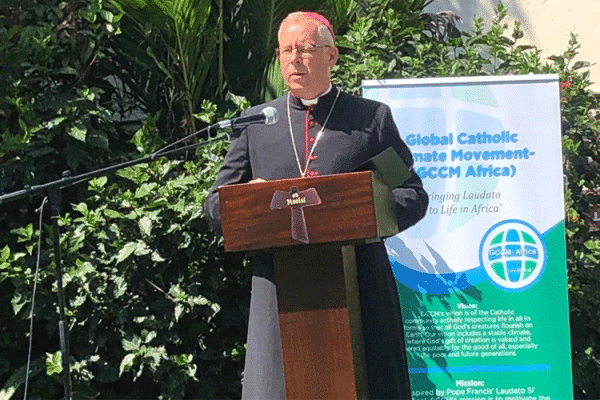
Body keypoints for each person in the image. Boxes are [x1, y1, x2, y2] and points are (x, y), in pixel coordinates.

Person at [204, 11, 428, 399]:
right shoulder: (255, 123)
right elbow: (214, 206)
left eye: (305, 49)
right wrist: (249, 202)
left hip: (359, 279)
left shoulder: (370, 119)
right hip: (278, 287)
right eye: (286, 50)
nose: (294, 59)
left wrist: (366, 213)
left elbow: (410, 193)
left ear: (331, 55)